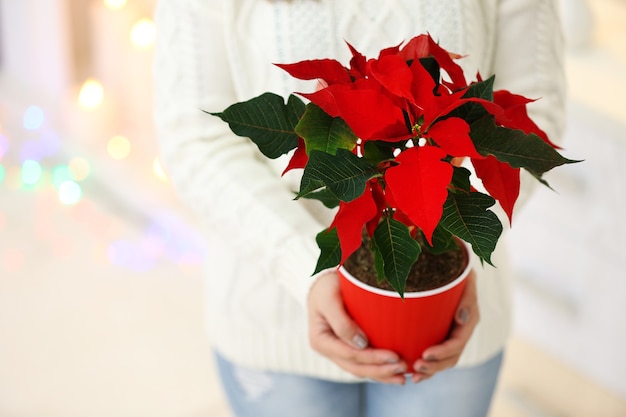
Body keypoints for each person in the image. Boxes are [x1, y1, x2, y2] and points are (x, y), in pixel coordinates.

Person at [152, 0, 566, 416]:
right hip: (275, 327)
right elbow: (196, 140)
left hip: (444, 326)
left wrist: (453, 238)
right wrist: (302, 267)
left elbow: (530, 118)